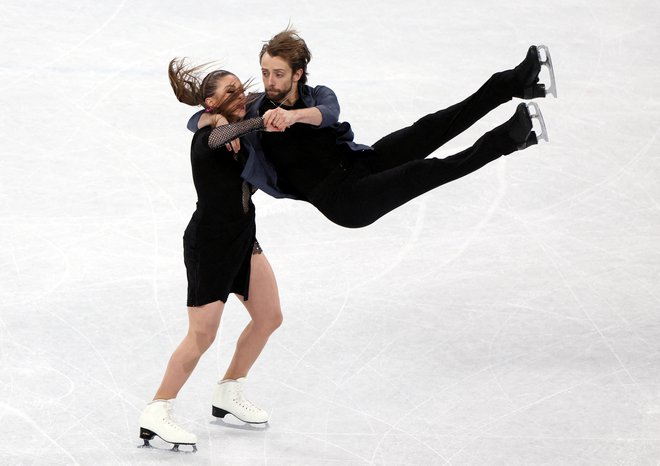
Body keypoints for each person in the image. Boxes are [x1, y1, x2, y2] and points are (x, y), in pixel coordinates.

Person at [189, 29, 556, 228]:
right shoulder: (255, 110)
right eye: (266, 72)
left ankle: (515, 83)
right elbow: (198, 123)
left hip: (360, 164)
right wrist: (217, 117)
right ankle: (510, 138)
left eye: (278, 73)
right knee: (425, 170)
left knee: (431, 127)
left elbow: (326, 115)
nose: (269, 81)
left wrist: (292, 117)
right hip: (345, 202)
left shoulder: (318, 96)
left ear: (297, 73)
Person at [138, 59, 283, 452]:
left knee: (269, 317)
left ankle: (228, 389)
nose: (239, 97)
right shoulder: (209, 138)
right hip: (210, 244)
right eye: (229, 93)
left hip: (243, 238)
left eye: (240, 89)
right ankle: (157, 409)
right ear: (209, 103)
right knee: (202, 335)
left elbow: (247, 109)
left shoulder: (226, 119)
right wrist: (255, 122)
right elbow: (215, 135)